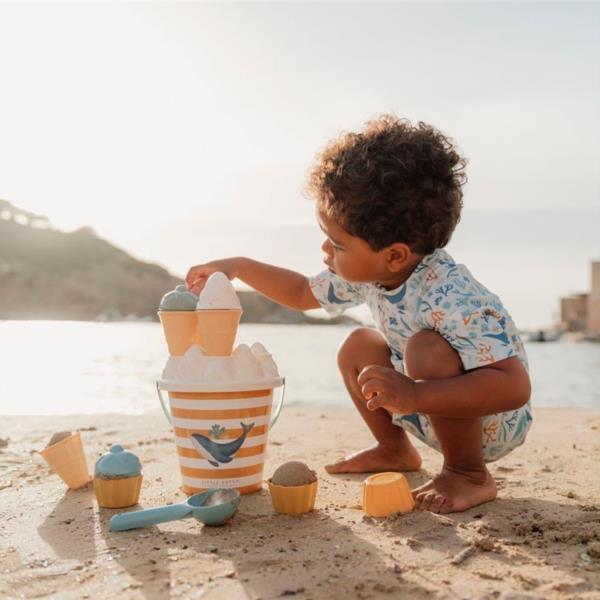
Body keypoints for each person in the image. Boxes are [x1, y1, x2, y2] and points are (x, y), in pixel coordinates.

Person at [185, 115, 532, 514]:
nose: (325, 251)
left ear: (395, 254)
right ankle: (394, 450)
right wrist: (240, 267)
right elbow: (301, 293)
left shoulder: (450, 294)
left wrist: (417, 394)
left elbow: (514, 387)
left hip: (488, 420)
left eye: (337, 243)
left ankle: (468, 474)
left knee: (425, 349)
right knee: (358, 345)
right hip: (425, 404)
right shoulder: (372, 273)